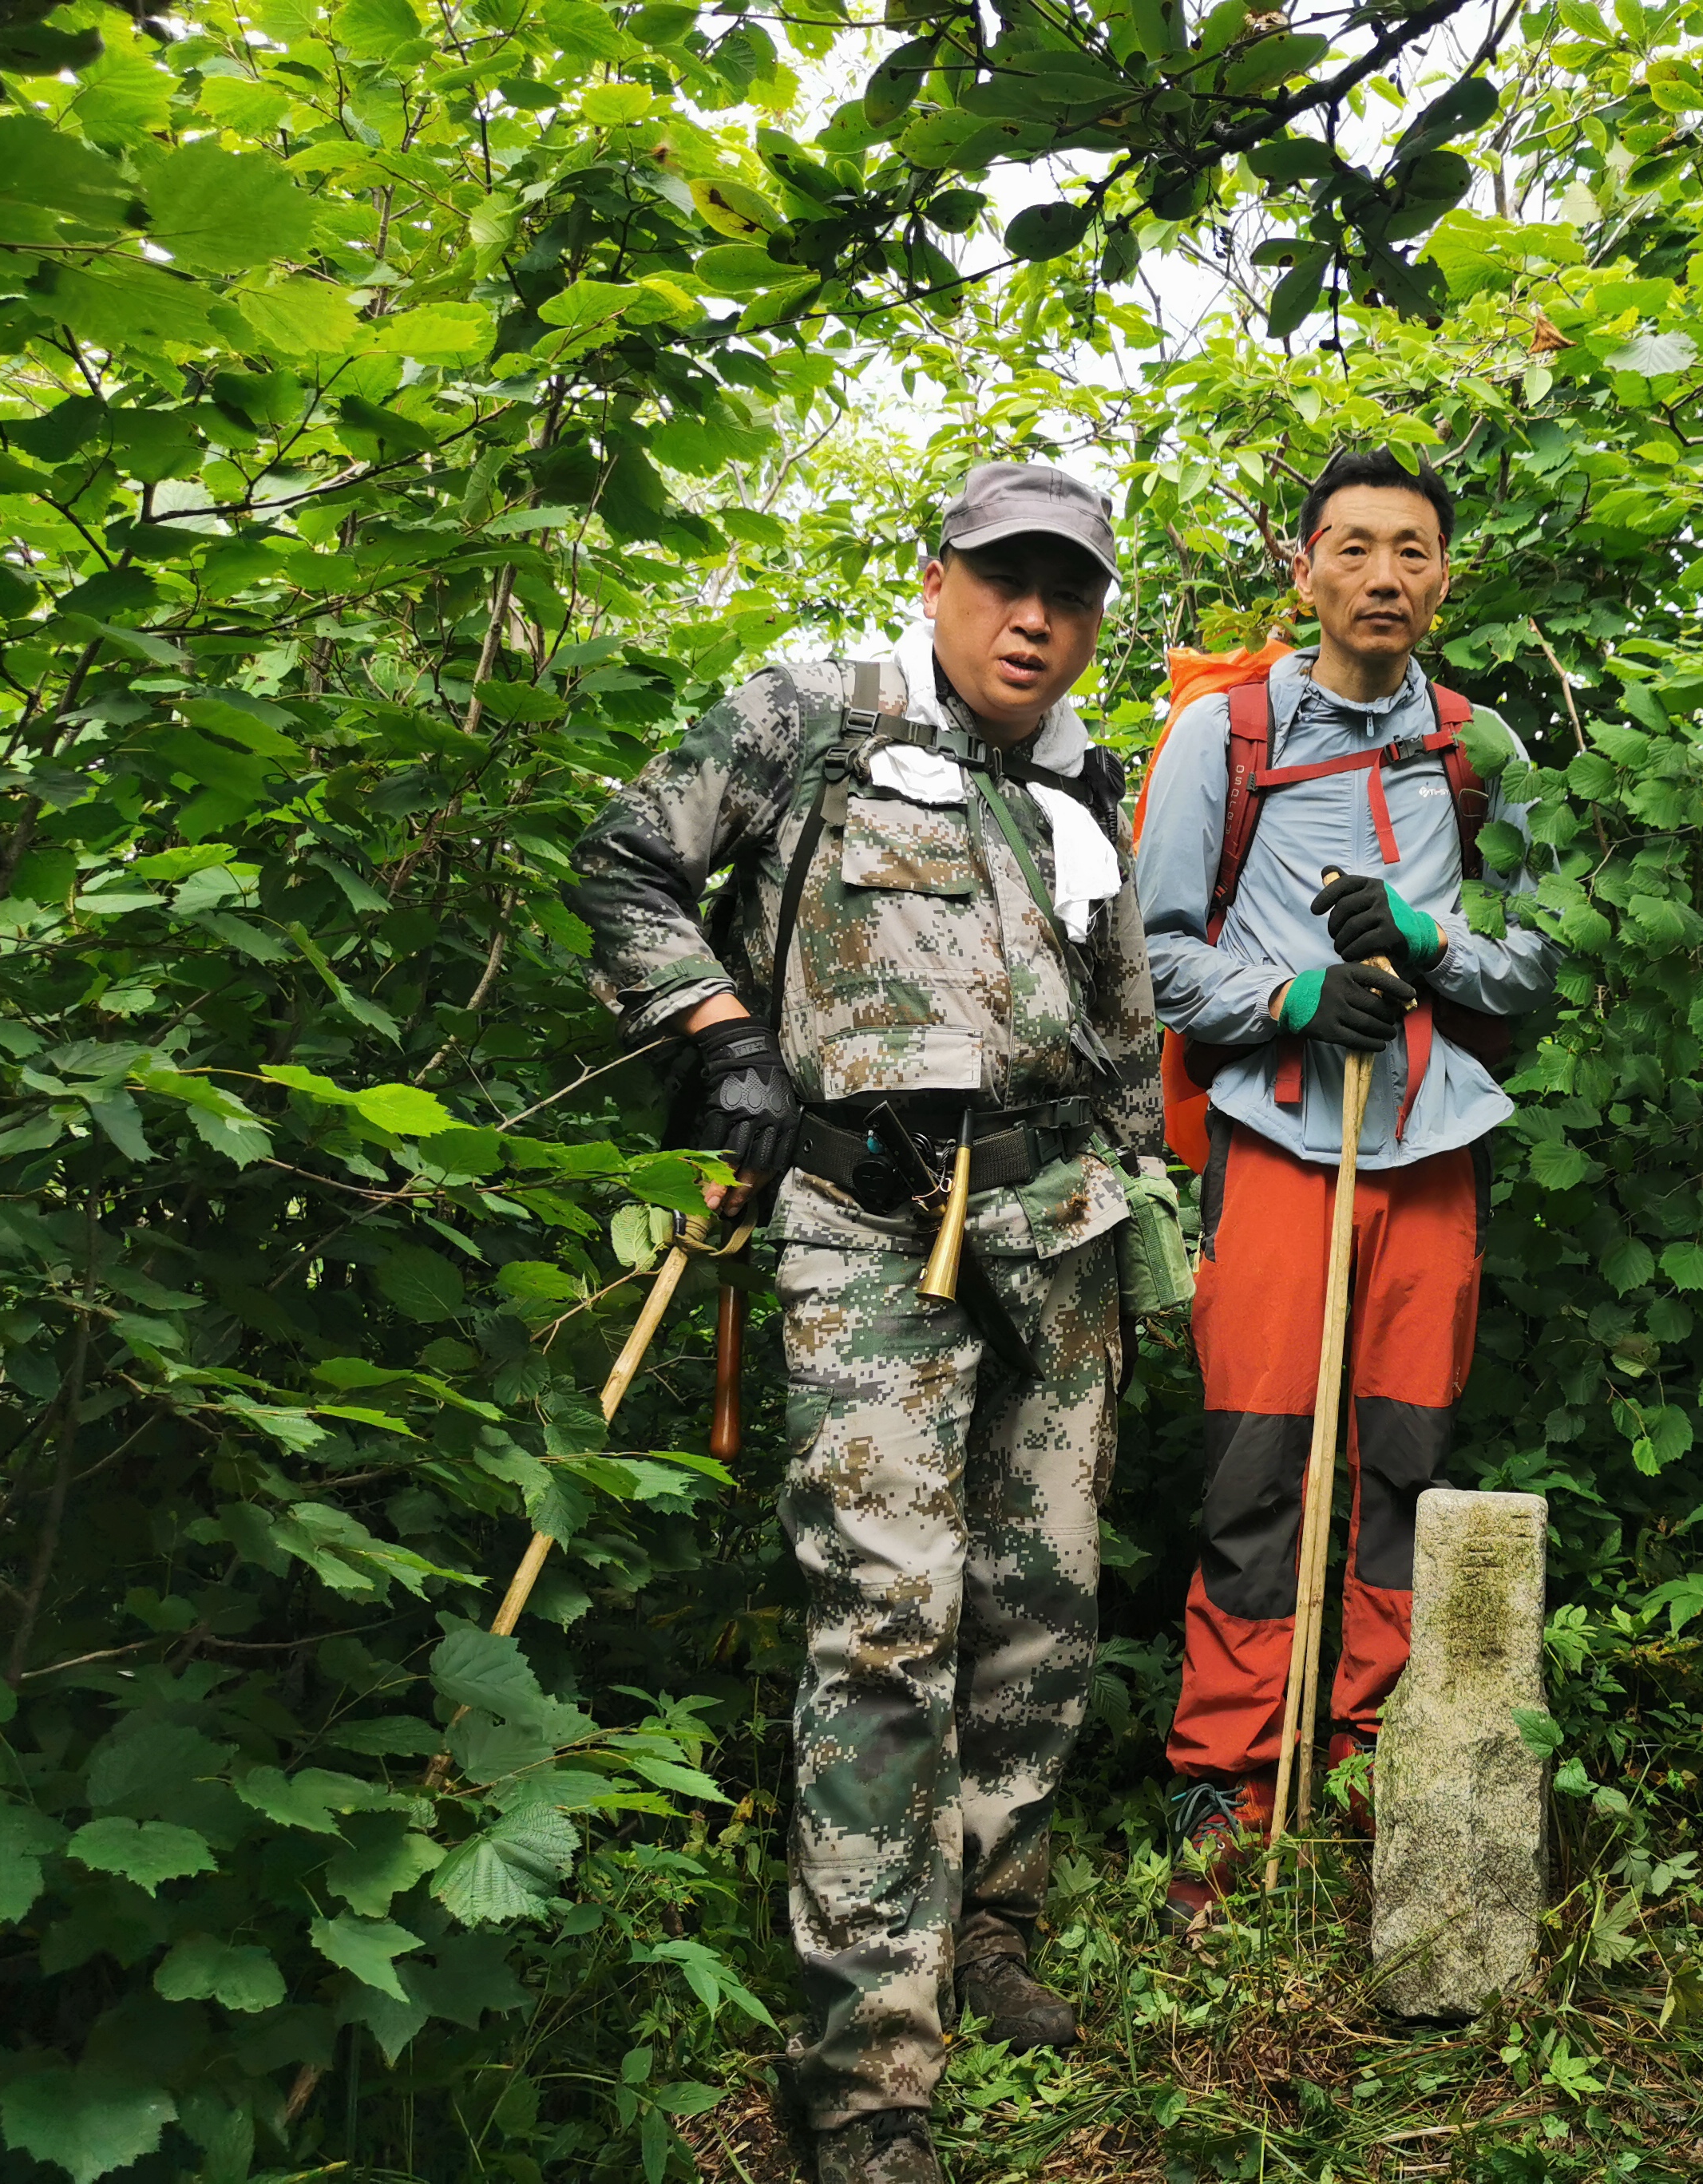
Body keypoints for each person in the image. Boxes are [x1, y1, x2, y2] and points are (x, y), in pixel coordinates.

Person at [565, 461, 1170, 2184]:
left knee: (1042, 1612)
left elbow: (1117, 1030)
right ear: (939, 579)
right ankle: (869, 2067)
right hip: (864, 1226)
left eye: (1069, 591)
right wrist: (719, 1033)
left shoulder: (1080, 789)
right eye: (1005, 580)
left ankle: (991, 1921)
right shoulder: (813, 715)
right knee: (888, 1625)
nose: (1036, 618)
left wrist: (1144, 1203)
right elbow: (626, 859)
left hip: (1058, 1234)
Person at [1134, 446, 1561, 1917]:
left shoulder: (1477, 747)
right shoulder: (1225, 734)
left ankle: (1373, 1769)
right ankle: (1229, 1785)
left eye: (1414, 552)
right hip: (1278, 1135)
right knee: (1259, 1468)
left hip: (1430, 1141)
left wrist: (1429, 944)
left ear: (1446, 578)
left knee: (1402, 1462)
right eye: (1356, 549)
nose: (1385, 576)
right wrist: (1301, 996)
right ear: (1304, 570)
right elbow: (1156, 953)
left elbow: (1541, 960)